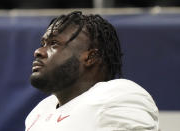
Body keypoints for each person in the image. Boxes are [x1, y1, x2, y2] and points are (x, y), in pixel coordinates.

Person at [25, 11, 159, 131]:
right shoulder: (39, 112)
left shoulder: (116, 97)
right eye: (43, 44)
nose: (38, 51)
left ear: (90, 57)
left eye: (54, 43)